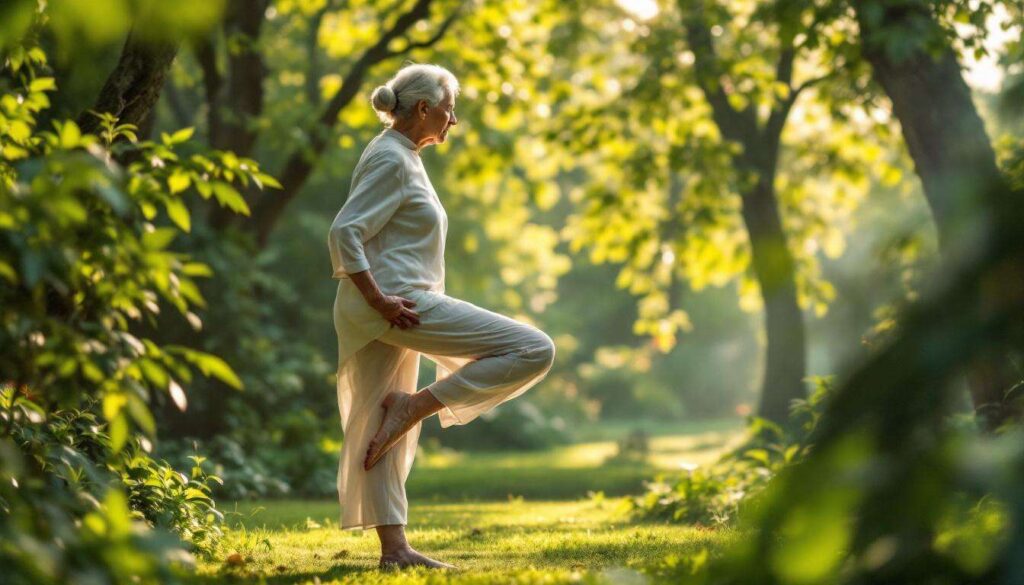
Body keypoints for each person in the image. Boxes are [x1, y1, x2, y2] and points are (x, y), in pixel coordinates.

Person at [327, 63, 556, 570]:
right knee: (533, 348)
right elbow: (345, 232)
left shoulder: (399, 154)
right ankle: (414, 407)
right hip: (398, 305)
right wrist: (380, 300)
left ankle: (395, 551)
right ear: (424, 107)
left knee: (377, 423)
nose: (454, 120)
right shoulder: (391, 157)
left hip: (388, 306)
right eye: (449, 109)